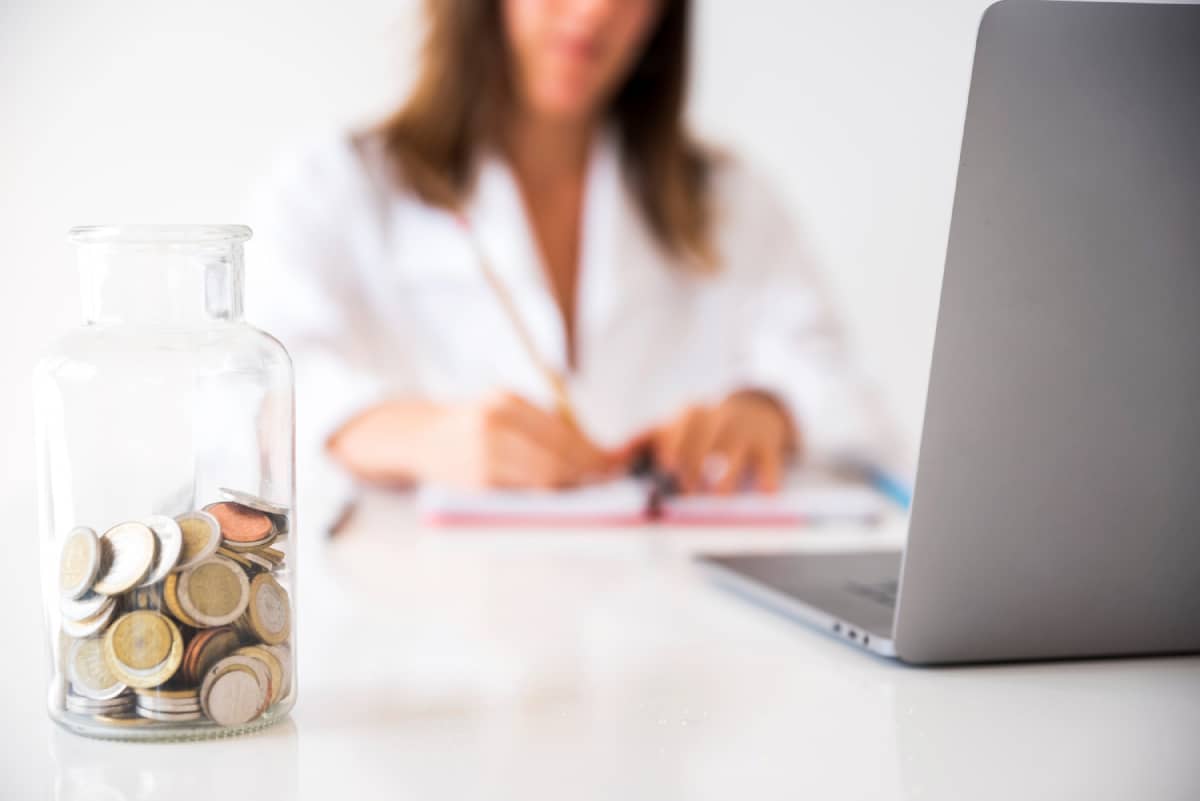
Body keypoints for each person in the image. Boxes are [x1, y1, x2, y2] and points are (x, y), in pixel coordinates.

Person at [248, 0, 889, 516]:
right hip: (427, 637)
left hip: (682, 635)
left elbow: (854, 404)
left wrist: (770, 412)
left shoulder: (730, 198)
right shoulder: (333, 186)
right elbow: (253, 408)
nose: (594, 12)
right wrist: (418, 438)